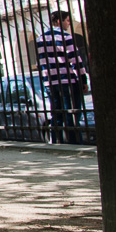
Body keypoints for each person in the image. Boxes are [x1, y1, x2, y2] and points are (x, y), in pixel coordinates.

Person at [35, 10, 87, 144]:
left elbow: (41, 62)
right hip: (66, 80)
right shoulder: (65, 36)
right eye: (67, 21)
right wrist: (83, 79)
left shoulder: (40, 38)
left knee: (56, 113)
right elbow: (75, 59)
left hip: (50, 82)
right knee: (72, 113)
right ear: (59, 21)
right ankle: (74, 142)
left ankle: (56, 141)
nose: (68, 24)